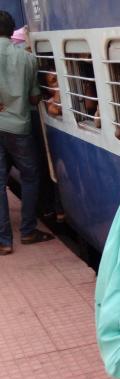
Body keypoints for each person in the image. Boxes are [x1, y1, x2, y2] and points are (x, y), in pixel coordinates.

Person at [0, 10, 54, 256]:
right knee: (31, 176)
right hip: (18, 126)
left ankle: (4, 241)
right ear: (11, 31)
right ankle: (28, 230)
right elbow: (34, 98)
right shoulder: (27, 59)